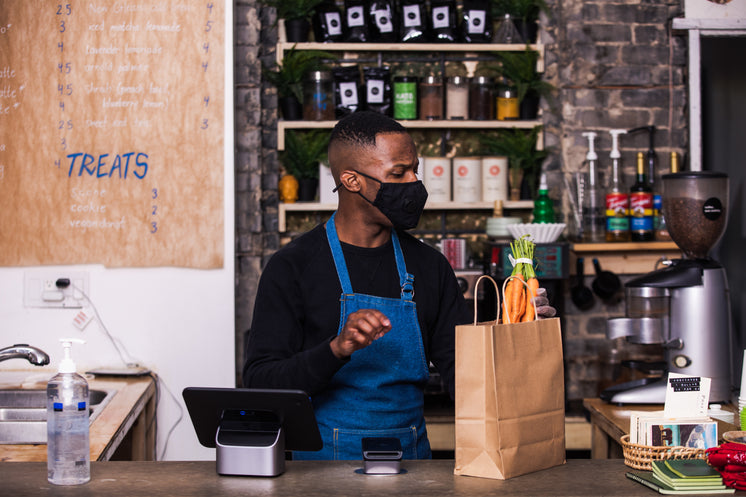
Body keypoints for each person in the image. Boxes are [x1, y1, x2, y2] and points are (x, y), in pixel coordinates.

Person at [243, 111, 554, 460]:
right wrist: (337, 349)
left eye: (414, 170)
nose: (413, 183)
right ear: (351, 180)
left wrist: (516, 331)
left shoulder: (429, 266)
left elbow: (466, 378)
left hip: (412, 465)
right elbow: (261, 382)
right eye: (398, 173)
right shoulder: (293, 266)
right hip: (321, 470)